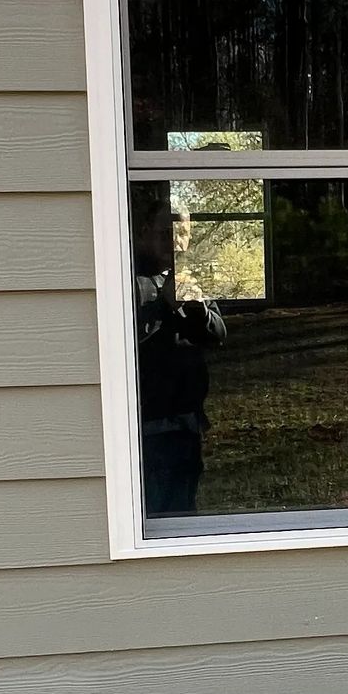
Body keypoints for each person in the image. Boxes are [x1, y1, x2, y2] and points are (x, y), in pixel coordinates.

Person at [132, 196, 226, 515]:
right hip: (147, 432)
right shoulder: (128, 279)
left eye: (181, 234)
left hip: (186, 427)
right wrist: (165, 308)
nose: (174, 242)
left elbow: (218, 333)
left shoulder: (187, 279)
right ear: (144, 231)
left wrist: (196, 308)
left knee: (184, 517)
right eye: (164, 233)